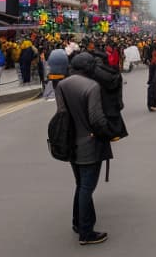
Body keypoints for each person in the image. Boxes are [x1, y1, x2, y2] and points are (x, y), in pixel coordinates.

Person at [55, 52, 113, 246]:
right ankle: (86, 233)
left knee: (80, 184)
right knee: (87, 187)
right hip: (90, 144)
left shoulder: (63, 84)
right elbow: (96, 119)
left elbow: (62, 114)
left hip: (70, 141)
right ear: (89, 67)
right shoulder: (92, 86)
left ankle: (78, 223)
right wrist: (109, 132)